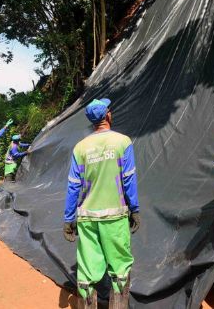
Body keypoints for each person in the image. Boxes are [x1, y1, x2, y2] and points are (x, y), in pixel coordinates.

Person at [63, 98, 140, 309]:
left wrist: (69, 218)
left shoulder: (80, 148)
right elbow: (128, 178)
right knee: (120, 272)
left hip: (87, 218)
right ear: (107, 115)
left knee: (87, 273)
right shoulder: (123, 142)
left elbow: (73, 186)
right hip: (115, 218)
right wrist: (135, 209)